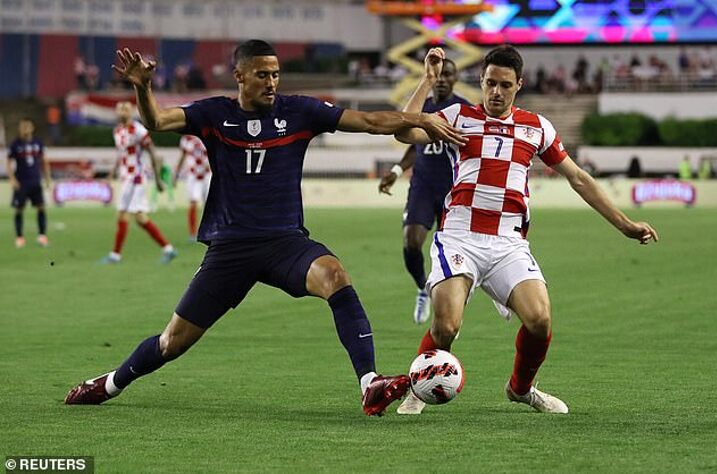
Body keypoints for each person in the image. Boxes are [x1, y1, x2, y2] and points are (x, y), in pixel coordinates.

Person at [64, 40, 465, 416]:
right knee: (172, 342)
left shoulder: (300, 111)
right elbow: (156, 120)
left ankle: (369, 383)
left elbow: (371, 121)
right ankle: (110, 384)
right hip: (230, 249)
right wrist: (143, 87)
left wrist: (420, 119)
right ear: (239, 76)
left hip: (284, 243)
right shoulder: (214, 114)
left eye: (275, 74)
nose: (271, 82)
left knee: (335, 276)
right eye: (262, 75)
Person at [394, 46, 659, 415]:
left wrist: (625, 224)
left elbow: (579, 178)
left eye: (505, 85)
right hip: (460, 237)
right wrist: (427, 80)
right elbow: (404, 132)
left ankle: (520, 389)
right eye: (490, 83)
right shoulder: (457, 117)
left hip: (508, 243)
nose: (496, 92)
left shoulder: (537, 127)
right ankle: (419, 386)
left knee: (539, 320)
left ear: (519, 84)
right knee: (447, 326)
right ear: (481, 81)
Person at [378, 58, 470, 324]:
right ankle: (422, 288)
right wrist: (397, 171)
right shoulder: (422, 107)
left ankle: (450, 311)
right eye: (438, 74)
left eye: (447, 74)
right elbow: (414, 146)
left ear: (455, 78)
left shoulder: (464, 110)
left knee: (452, 254)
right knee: (411, 242)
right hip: (423, 187)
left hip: (453, 190)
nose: (442, 79)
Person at [99, 102, 177, 264]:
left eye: (126, 109)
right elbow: (121, 155)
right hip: (126, 178)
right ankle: (168, 249)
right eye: (120, 109)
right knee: (136, 217)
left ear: (131, 112)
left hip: (136, 178)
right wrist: (111, 174)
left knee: (128, 214)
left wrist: (157, 179)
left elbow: (152, 153)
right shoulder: (118, 131)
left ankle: (116, 255)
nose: (122, 111)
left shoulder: (138, 130)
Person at [7, 118, 52, 248]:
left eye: (27, 126)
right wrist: (12, 179)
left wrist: (47, 178)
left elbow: (44, 161)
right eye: (23, 127)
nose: (25, 129)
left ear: (32, 128)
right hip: (21, 182)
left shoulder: (38, 143)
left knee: (41, 207)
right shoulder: (15, 144)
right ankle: (19, 237)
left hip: (35, 181)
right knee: (19, 209)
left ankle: (42, 236)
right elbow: (8, 163)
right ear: (20, 129)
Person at [174, 134, 211, 241]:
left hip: (207, 175)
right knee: (193, 203)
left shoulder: (206, 134)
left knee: (210, 204)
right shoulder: (186, 139)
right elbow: (182, 157)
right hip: (193, 176)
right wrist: (176, 174)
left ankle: (210, 231)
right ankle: (192, 234)